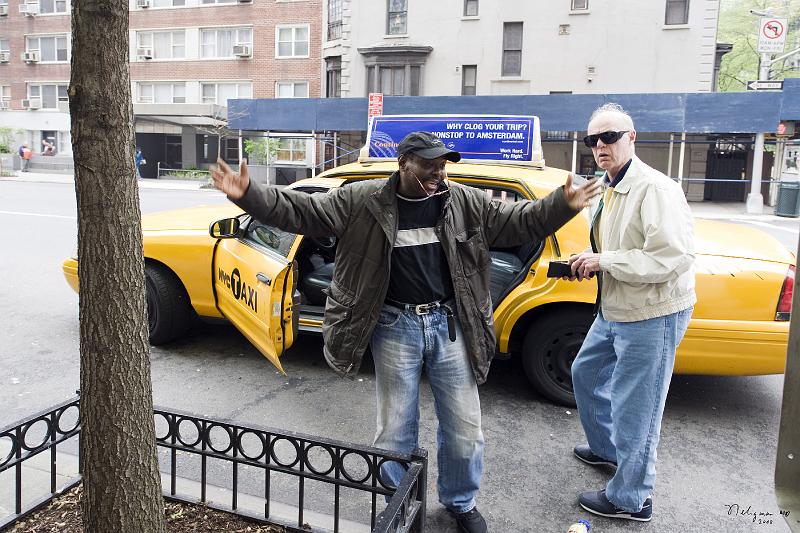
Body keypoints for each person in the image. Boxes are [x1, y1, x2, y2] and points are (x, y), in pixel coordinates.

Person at [211, 131, 601, 533]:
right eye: (429, 165)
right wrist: (249, 196)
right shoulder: (362, 200)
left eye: (442, 164)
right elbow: (302, 210)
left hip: (450, 325)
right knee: (395, 429)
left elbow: (520, 223)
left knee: (466, 430)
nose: (438, 172)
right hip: (394, 324)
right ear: (404, 163)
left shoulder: (463, 201)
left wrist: (561, 204)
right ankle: (399, 502)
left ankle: (460, 501)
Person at [567, 103, 696, 522]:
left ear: (631, 137)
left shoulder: (655, 188)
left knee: (636, 407)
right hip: (616, 306)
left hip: (652, 312)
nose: (600, 146)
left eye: (610, 137)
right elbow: (620, 246)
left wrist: (604, 262)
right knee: (585, 373)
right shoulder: (606, 186)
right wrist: (592, 259)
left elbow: (672, 258)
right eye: (593, 140)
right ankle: (608, 450)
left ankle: (631, 498)